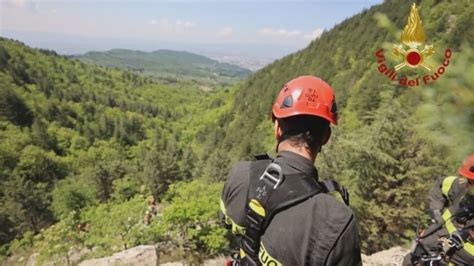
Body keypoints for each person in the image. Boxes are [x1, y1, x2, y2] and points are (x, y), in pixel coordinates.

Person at [220, 76, 361, 265]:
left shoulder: (240, 174)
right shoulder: (337, 221)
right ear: (326, 137)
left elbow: (226, 222)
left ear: (277, 128)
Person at [403, 186, 474, 265]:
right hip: (428, 245)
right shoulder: (462, 186)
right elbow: (441, 184)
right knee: (409, 260)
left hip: (458, 257)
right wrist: (436, 208)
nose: (467, 184)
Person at [429, 154, 474, 224]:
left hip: (459, 233)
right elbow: (441, 184)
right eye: (469, 180)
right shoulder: (461, 185)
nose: (468, 185)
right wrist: (436, 208)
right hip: (438, 229)